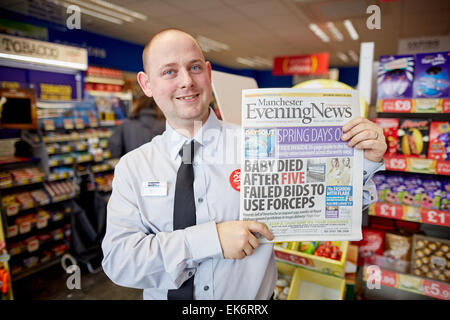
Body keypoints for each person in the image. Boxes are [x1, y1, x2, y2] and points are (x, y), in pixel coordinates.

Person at [101, 28, 387, 300]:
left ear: (209, 73)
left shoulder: (261, 146)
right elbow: (120, 262)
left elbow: (325, 207)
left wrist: (363, 163)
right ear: (146, 84)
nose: (186, 80)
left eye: (195, 67)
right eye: (169, 72)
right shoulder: (133, 168)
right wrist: (210, 239)